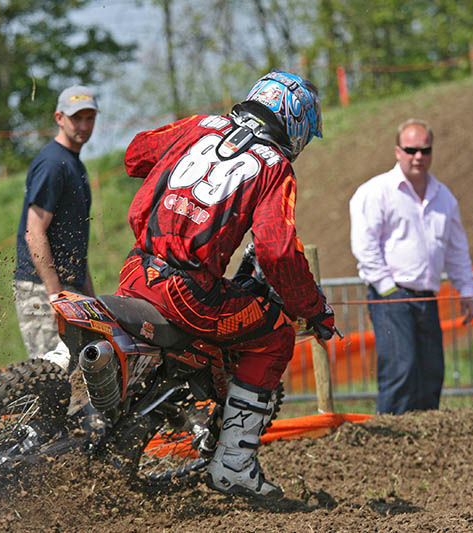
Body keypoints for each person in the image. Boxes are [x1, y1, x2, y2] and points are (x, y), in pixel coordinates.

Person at [116, 71, 336, 499]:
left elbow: (134, 154)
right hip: (187, 293)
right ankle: (234, 465)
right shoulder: (275, 167)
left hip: (135, 270)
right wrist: (313, 308)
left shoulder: (201, 125)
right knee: (275, 334)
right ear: (294, 122)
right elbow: (275, 252)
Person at [349, 118, 473, 415]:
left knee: (431, 371)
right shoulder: (377, 191)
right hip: (391, 294)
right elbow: (365, 244)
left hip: (426, 296)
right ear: (397, 151)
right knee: (401, 368)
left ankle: (426, 440)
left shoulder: (444, 197)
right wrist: (387, 288)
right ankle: (392, 441)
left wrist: (466, 289)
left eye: (425, 150)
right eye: (411, 149)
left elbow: (456, 249)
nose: (418, 156)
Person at [14, 85, 98, 363]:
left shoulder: (74, 165)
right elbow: (34, 231)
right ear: (59, 118)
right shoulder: (53, 163)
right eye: (77, 118)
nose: (84, 126)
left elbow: (74, 242)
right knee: (49, 374)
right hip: (42, 287)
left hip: (67, 288)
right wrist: (54, 294)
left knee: (77, 374)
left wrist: (90, 297)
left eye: (90, 118)